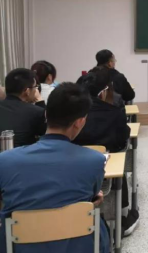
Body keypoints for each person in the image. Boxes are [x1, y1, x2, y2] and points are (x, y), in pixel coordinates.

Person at [0, 83, 110, 253]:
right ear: (80, 122)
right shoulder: (95, 160)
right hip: (78, 246)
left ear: (45, 114)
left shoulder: (5, 160)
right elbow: (90, 197)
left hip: (20, 247)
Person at [75, 68, 138, 236]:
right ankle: (123, 217)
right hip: (105, 171)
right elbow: (122, 141)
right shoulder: (114, 113)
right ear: (103, 92)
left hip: (73, 171)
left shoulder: (72, 113)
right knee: (120, 161)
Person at [0, 68, 46, 147]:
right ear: (27, 91)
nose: (36, 90)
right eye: (35, 87)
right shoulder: (36, 112)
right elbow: (45, 133)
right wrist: (40, 101)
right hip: (24, 153)